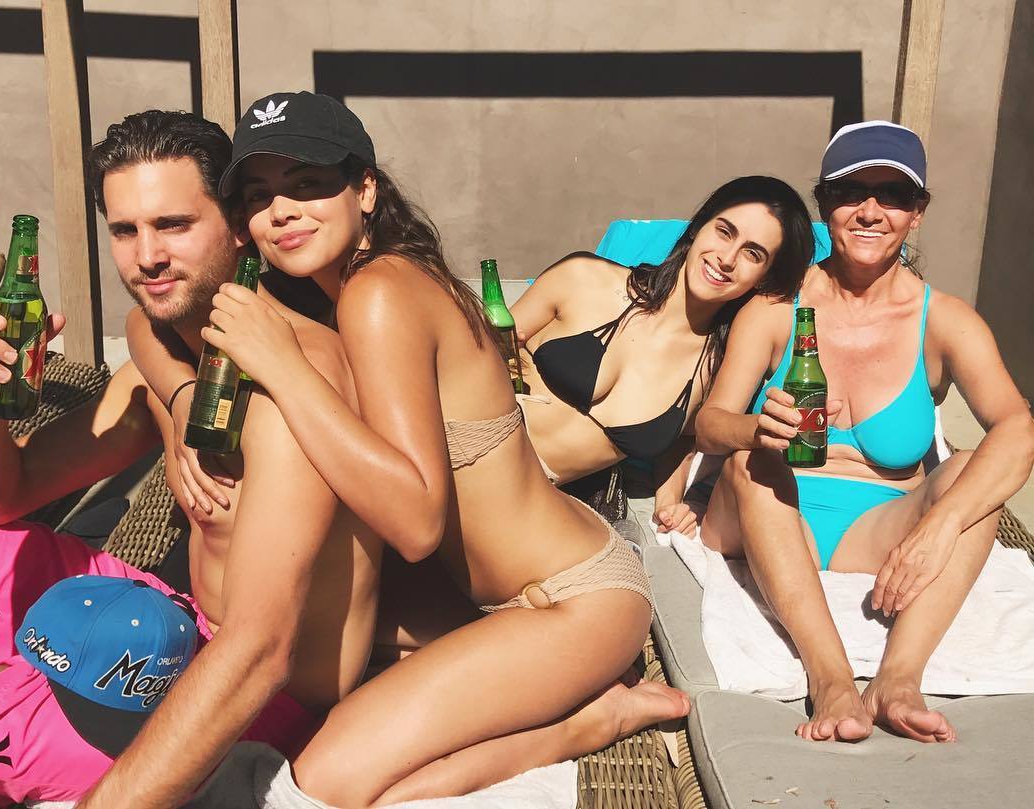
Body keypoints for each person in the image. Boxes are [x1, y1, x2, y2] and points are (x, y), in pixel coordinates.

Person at [128, 90, 691, 808]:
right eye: (261, 195)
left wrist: (285, 368)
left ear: (364, 189)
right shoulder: (316, 290)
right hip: (470, 598)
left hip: (572, 600)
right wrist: (182, 399)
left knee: (325, 778)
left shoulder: (379, 292)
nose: (283, 210)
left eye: (308, 183)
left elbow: (419, 524)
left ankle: (589, 722)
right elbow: (148, 321)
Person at [0, 110, 380, 808]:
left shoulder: (287, 383)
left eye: (174, 225)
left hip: (247, 695)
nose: (147, 256)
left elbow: (260, 654)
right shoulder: (172, 355)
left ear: (239, 225)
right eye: (125, 230)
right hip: (167, 613)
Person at [694, 120, 1034, 743]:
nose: (871, 211)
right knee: (750, 462)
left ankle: (898, 679)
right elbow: (711, 425)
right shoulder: (776, 307)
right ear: (825, 204)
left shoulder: (944, 320)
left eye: (894, 195)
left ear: (917, 213)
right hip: (761, 516)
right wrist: (756, 428)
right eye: (852, 192)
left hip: (875, 529)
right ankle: (831, 680)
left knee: (972, 475)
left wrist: (940, 525)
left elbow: (1018, 428)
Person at [511, 176, 815, 534]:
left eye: (753, 254)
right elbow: (482, 348)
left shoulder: (713, 369)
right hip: (476, 448)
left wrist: (670, 500)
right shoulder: (583, 278)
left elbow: (682, 437)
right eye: (724, 232)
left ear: (765, 278)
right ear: (699, 228)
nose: (727, 258)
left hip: (535, 502)